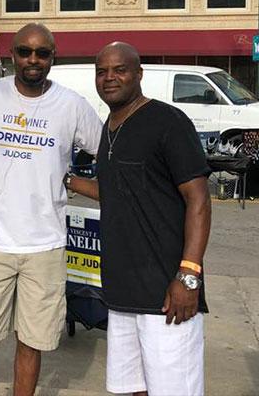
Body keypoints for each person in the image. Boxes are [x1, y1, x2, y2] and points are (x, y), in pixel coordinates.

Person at [0, 23, 103, 396]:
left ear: (53, 57)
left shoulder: (72, 105)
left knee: (31, 344)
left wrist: (73, 181)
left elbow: (110, 154)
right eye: (25, 51)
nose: (33, 59)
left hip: (45, 247)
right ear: (13, 55)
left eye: (42, 53)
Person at [68, 42, 212, 396]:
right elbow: (116, 191)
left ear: (139, 74)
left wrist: (188, 276)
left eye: (120, 70)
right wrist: (66, 180)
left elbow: (198, 199)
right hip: (122, 294)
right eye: (102, 71)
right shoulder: (109, 127)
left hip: (167, 294)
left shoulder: (168, 122)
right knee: (134, 388)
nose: (109, 78)